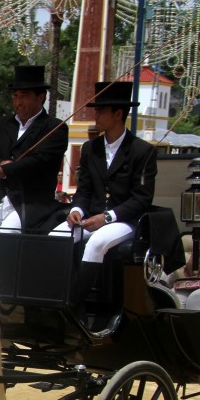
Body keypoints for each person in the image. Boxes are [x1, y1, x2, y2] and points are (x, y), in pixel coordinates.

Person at [51, 80, 158, 332]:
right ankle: (51, 300)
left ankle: (70, 305)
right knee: (55, 237)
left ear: (118, 114)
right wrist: (76, 210)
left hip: (124, 221)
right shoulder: (90, 149)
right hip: (90, 217)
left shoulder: (142, 151)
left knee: (97, 243)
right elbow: (84, 190)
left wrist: (106, 217)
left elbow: (142, 199)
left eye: (101, 111)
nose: (95, 115)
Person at [0, 65, 69, 234]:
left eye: (24, 96)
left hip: (31, 203)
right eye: (15, 96)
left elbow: (39, 163)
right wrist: (2, 163)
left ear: (41, 97)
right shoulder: (4, 123)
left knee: (8, 232)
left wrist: (3, 171)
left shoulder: (55, 128)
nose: (18, 102)